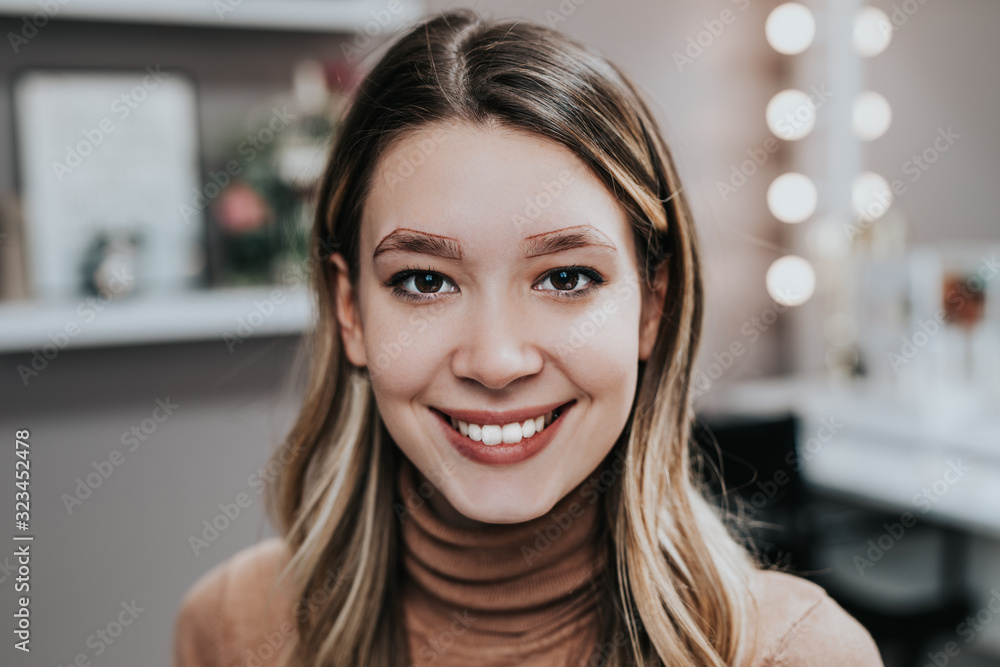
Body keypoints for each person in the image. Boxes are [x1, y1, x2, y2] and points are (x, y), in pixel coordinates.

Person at [173, 10, 884, 666]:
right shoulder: (231, 625)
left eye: (567, 277)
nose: (496, 360)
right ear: (350, 310)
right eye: (424, 281)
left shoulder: (797, 653)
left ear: (652, 304)